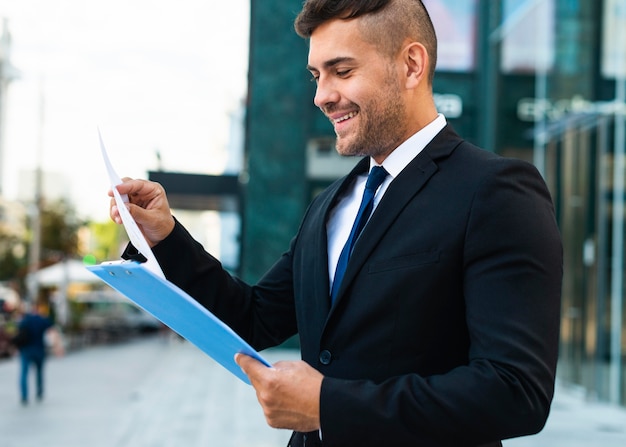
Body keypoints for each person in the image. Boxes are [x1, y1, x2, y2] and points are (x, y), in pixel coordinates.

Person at [109, 1, 563, 445]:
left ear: (410, 65)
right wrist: (166, 237)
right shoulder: (331, 204)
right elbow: (254, 318)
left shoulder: (495, 190)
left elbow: (516, 391)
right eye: (316, 75)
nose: (321, 95)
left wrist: (330, 406)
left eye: (342, 71)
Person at [14, 302, 63, 405]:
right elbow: (53, 332)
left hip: (26, 350)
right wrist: (57, 347)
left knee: (24, 373)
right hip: (39, 350)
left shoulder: (25, 320)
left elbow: (19, 335)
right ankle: (39, 393)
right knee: (39, 373)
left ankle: (24, 396)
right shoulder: (43, 320)